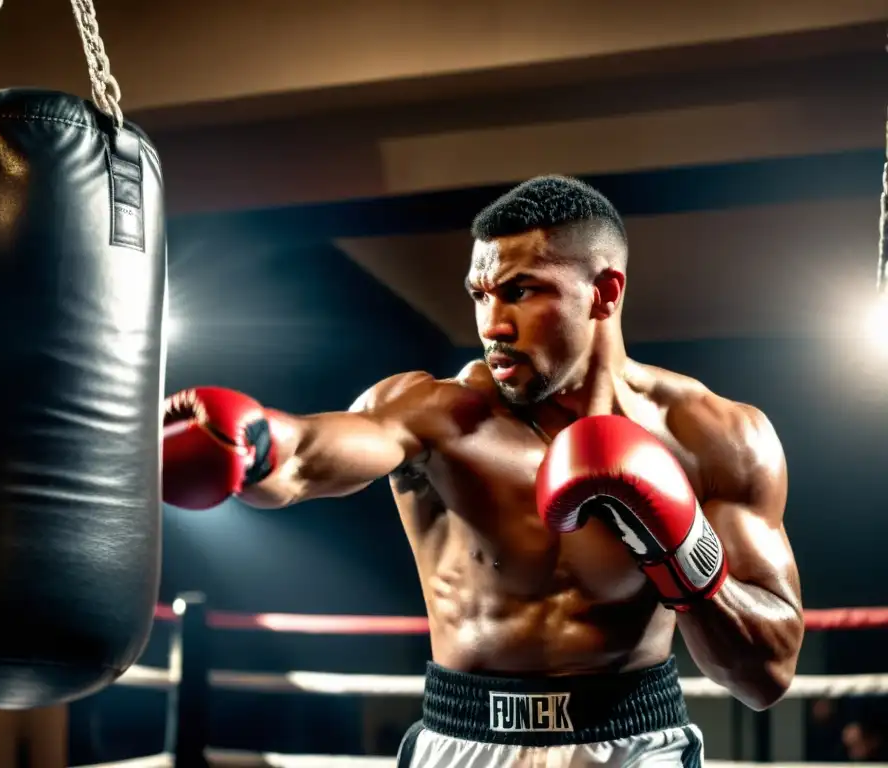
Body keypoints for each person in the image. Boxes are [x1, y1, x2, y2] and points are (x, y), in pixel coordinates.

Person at [162, 176, 805, 766]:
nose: (492, 325)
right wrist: (249, 444)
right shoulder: (437, 414)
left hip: (635, 744)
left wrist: (681, 547)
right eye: (480, 294)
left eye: (521, 291)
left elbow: (766, 674)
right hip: (466, 743)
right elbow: (305, 455)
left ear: (604, 293)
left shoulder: (715, 436)